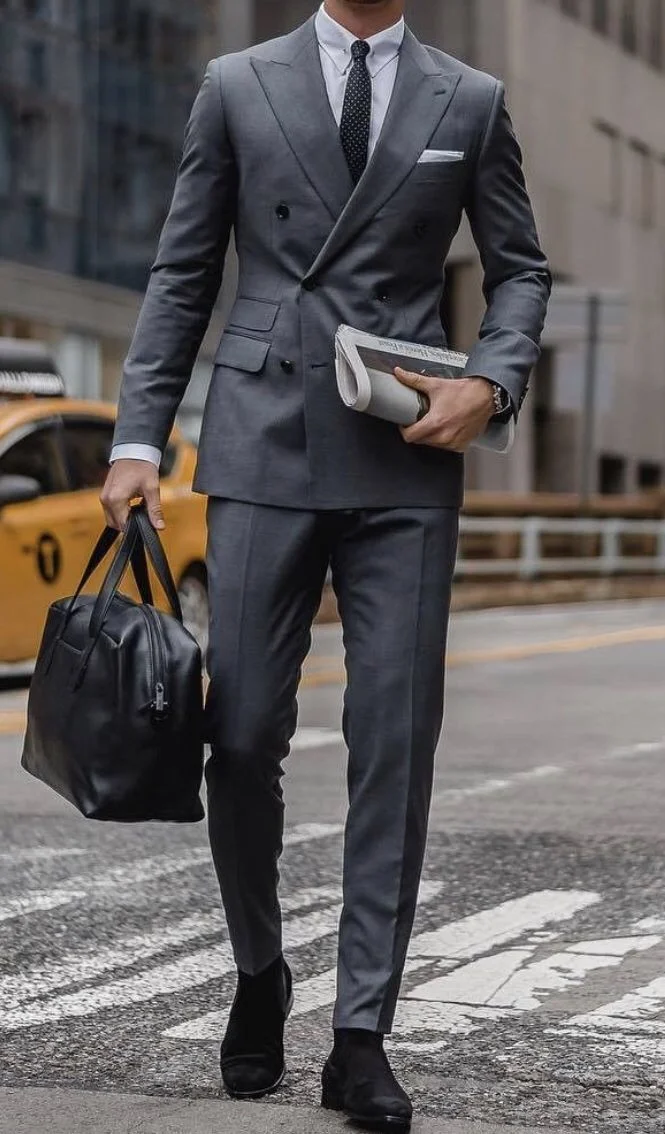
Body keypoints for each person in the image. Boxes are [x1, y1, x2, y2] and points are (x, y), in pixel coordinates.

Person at [101, 0, 551, 1128]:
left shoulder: (470, 99)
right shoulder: (236, 83)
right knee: (241, 732)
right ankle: (261, 970)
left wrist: (488, 382)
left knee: (390, 745)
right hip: (261, 440)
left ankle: (361, 1038)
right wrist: (136, 437)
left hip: (403, 451)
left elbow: (521, 273)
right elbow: (182, 272)